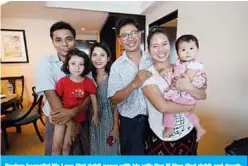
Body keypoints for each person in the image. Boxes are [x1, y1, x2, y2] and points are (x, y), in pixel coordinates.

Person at [141, 27, 207, 155]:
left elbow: (202, 94)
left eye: (164, 44)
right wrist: (190, 107)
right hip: (162, 139)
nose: (161, 50)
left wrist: (189, 88)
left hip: (188, 133)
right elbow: (163, 107)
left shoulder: (181, 68)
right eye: (155, 46)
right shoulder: (147, 75)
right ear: (148, 50)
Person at [34, 21, 90, 155]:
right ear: (53, 42)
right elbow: (50, 93)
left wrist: (74, 112)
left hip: (80, 116)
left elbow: (90, 92)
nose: (64, 45)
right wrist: (70, 122)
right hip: (56, 118)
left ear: (74, 40)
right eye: (58, 40)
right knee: (54, 151)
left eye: (68, 39)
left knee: (77, 152)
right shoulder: (45, 62)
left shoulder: (82, 61)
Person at [107, 17, 153, 155]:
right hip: (130, 123)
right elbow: (114, 99)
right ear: (120, 41)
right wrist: (134, 84)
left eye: (133, 33)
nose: (130, 38)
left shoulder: (153, 58)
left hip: (154, 119)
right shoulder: (117, 66)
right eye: (125, 35)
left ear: (140, 34)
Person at [52, 49, 99, 155]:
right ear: (67, 65)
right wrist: (53, 113)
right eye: (73, 63)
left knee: (66, 146)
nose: (77, 67)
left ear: (85, 66)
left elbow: (93, 99)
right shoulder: (62, 81)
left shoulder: (88, 82)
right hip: (62, 117)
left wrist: (96, 115)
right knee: (56, 146)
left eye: (81, 64)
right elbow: (56, 99)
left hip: (76, 118)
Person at [162, 34, 207, 141]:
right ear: (177, 52)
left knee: (168, 108)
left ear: (197, 50)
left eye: (191, 48)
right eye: (183, 49)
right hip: (184, 94)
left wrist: (173, 85)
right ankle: (199, 128)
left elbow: (185, 80)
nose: (187, 52)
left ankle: (169, 127)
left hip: (186, 94)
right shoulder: (179, 63)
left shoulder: (195, 65)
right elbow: (173, 68)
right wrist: (168, 70)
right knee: (187, 113)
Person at [90, 42, 120, 155]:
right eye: (94, 55)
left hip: (109, 117)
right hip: (92, 116)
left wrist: (116, 126)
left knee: (109, 149)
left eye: (102, 55)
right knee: (94, 147)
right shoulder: (88, 76)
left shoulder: (113, 76)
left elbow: (116, 103)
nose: (98, 58)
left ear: (108, 58)